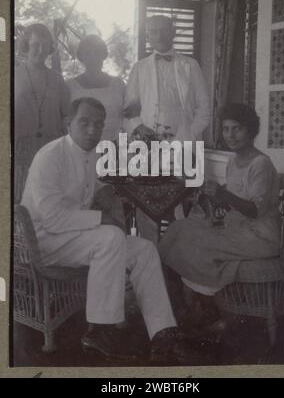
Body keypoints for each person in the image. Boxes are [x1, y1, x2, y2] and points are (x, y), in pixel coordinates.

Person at [21, 96, 198, 364]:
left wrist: (108, 196)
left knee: (144, 248)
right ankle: (99, 332)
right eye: (85, 122)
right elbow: (52, 219)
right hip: (42, 241)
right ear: (68, 123)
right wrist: (101, 218)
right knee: (111, 236)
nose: (92, 130)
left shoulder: (91, 153)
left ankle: (163, 334)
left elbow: (95, 183)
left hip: (71, 237)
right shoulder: (50, 156)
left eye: (98, 124)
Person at [159, 103, 280, 327]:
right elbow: (231, 201)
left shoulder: (260, 163)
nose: (230, 135)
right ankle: (178, 300)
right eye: (226, 129)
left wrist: (223, 194)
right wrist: (211, 196)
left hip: (261, 237)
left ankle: (205, 308)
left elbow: (255, 210)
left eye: (237, 129)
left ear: (251, 130)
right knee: (179, 228)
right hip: (237, 228)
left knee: (199, 242)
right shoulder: (233, 161)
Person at [123, 15, 210, 143]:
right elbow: (129, 109)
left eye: (164, 30)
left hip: (186, 141)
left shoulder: (191, 65)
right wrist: (140, 129)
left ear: (173, 32)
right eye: (154, 32)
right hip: (148, 142)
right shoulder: (139, 68)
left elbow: (204, 107)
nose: (159, 36)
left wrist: (189, 135)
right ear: (148, 37)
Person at [14, 23, 69, 202]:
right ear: (25, 45)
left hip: (50, 152)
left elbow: (67, 117)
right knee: (21, 204)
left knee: (47, 204)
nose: (40, 50)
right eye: (35, 44)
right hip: (20, 154)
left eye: (45, 45)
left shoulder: (57, 79)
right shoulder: (11, 76)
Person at [66, 34, 125, 142]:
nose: (93, 58)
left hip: (113, 146)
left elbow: (128, 116)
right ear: (81, 57)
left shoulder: (118, 84)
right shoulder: (70, 86)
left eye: (97, 52)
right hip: (80, 147)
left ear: (104, 55)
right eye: (88, 54)